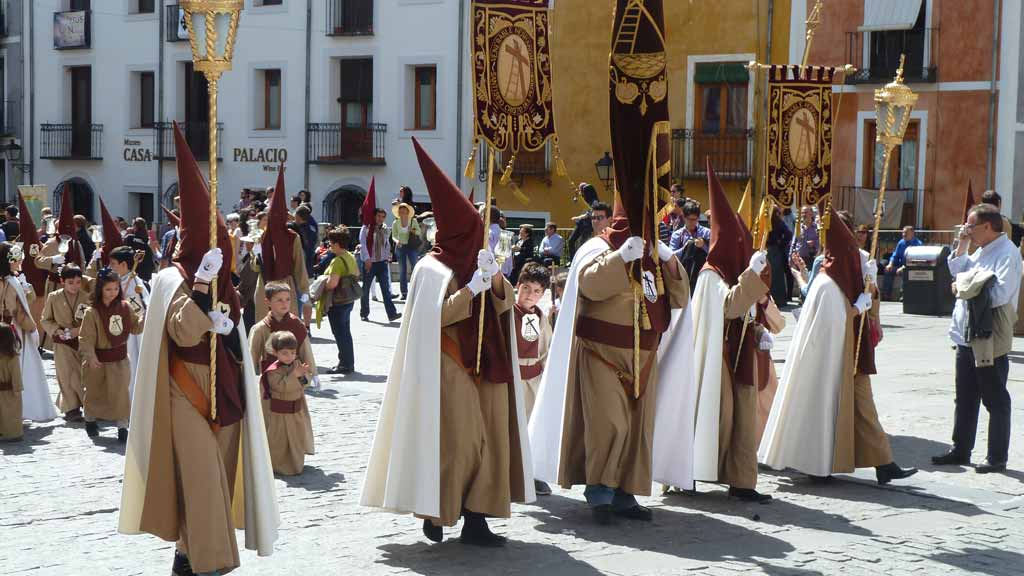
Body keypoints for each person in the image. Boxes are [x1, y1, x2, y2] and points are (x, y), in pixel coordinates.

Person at [118, 124, 277, 575]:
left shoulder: (225, 277)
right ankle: (213, 562)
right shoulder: (173, 279)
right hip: (183, 390)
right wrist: (203, 291)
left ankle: (187, 552)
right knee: (202, 477)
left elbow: (233, 335)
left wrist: (227, 322)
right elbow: (184, 333)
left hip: (224, 387)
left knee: (216, 481)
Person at [363, 138, 535, 546]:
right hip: (449, 362)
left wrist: (492, 277)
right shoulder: (429, 268)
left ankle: (477, 517)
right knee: (461, 442)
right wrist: (469, 291)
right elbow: (432, 319)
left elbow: (505, 302)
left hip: (487, 361)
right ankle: (436, 510)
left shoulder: (479, 260)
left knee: (489, 442)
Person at [529, 196, 693, 524]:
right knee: (609, 424)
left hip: (644, 358)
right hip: (601, 354)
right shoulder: (596, 248)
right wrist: (620, 258)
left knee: (635, 429)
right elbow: (588, 285)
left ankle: (625, 494)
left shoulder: (655, 257)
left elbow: (680, 297)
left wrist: (670, 260)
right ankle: (600, 493)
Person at [760, 208, 918, 485]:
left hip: (851, 353)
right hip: (830, 359)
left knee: (864, 408)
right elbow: (834, 318)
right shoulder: (826, 281)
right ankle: (817, 463)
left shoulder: (850, 268)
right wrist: (858, 306)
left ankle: (884, 463)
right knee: (831, 406)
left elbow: (863, 299)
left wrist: (869, 291)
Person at [690, 165, 773, 503]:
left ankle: (742, 481)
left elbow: (748, 309)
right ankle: (691, 471)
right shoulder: (711, 275)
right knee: (715, 415)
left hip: (741, 353)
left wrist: (759, 328)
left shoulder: (735, 272)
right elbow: (729, 307)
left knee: (744, 416)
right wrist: (751, 277)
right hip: (719, 357)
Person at [931, 204, 1021, 474]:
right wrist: (962, 246)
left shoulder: (1007, 254)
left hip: (988, 336)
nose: (967, 230)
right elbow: (957, 270)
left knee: (995, 399)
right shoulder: (981, 250)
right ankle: (961, 448)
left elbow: (1000, 294)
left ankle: (996, 457)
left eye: (971, 226)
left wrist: (964, 288)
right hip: (966, 336)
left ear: (987, 226)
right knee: (965, 396)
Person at [78, 268, 144, 443]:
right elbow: (86, 337)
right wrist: (91, 357)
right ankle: (90, 418)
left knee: (120, 393)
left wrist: (146, 316)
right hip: (98, 361)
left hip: (119, 360)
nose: (112, 293)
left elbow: (136, 327)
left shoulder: (126, 307)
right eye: (108, 289)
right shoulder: (92, 312)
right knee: (94, 392)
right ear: (100, 289)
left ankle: (122, 426)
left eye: (115, 288)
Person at [513, 261, 553, 495]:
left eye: (537, 291)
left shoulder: (539, 317)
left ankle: (533, 473)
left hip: (534, 379)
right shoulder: (508, 312)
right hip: (513, 377)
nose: (530, 295)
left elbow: (546, 349)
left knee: (533, 427)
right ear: (518, 286)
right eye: (526, 288)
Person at [252, 168, 311, 321]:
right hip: (265, 286)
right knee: (265, 327)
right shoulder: (262, 236)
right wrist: (256, 259)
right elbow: (254, 267)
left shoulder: (292, 237)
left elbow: (299, 266)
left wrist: (305, 293)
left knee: (286, 328)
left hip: (286, 287)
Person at [258, 330, 315, 475]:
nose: (289, 357)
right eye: (284, 353)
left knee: (296, 438)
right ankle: (279, 465)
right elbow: (280, 386)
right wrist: (294, 375)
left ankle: (296, 463)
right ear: (276, 353)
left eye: (292, 352)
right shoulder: (273, 371)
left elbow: (305, 382)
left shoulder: (297, 364)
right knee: (280, 441)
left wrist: (303, 376)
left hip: (296, 411)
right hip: (280, 413)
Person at [41, 265, 89, 422]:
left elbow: (92, 320)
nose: (75, 286)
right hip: (62, 341)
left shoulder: (86, 297)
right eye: (70, 282)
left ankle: (88, 404)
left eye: (77, 282)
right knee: (66, 375)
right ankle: (71, 408)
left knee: (81, 374)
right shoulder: (53, 297)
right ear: (62, 282)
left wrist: (78, 330)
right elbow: (45, 319)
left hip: (81, 340)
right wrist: (56, 330)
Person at [105, 246, 151, 401]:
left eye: (113, 263)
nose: (110, 267)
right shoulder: (121, 281)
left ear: (124, 265)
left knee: (130, 368)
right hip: (117, 331)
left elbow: (138, 310)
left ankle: (130, 403)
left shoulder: (134, 284)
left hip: (130, 334)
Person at [322, 226, 358, 374]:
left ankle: (344, 364)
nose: (329, 247)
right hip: (349, 299)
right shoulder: (350, 256)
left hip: (338, 301)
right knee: (345, 332)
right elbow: (357, 273)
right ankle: (348, 362)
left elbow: (332, 283)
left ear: (337, 244)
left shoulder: (337, 261)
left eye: (330, 244)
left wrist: (322, 284)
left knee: (339, 333)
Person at [360, 208, 400, 323]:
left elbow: (387, 243)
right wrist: (366, 259)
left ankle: (392, 313)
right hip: (370, 262)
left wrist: (388, 256)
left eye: (383, 217)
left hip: (382, 262)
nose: (380, 219)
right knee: (366, 289)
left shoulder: (384, 228)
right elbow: (363, 244)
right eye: (378, 216)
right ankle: (364, 313)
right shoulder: (366, 228)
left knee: (386, 289)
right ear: (374, 216)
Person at [670, 199, 711, 291]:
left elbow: (714, 253)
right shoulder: (677, 235)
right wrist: (686, 247)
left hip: (703, 276)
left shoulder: (706, 233)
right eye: (690, 219)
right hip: (684, 276)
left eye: (695, 219)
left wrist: (704, 245)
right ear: (684, 217)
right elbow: (672, 256)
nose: (693, 222)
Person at [391, 202, 422, 300]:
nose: (402, 212)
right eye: (400, 211)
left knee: (415, 268)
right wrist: (397, 241)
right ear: (398, 213)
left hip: (411, 247)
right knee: (402, 271)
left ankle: (415, 291)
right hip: (400, 247)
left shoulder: (413, 221)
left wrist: (412, 230)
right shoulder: (396, 222)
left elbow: (419, 232)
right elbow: (393, 236)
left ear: (408, 212)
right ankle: (404, 293)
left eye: (404, 210)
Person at [764, 207, 793, 306]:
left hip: (772, 250)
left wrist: (780, 244)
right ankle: (778, 300)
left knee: (774, 276)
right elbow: (789, 234)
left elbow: (789, 234)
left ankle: (774, 300)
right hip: (773, 250)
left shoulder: (775, 222)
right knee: (775, 276)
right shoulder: (773, 221)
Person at [883, 225, 921, 301]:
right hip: (899, 266)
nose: (904, 234)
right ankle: (886, 295)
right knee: (888, 270)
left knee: (905, 272)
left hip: (911, 267)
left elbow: (914, 260)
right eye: (903, 232)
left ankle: (903, 295)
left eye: (906, 233)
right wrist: (890, 264)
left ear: (912, 233)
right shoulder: (901, 242)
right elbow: (895, 255)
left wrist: (903, 267)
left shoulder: (918, 244)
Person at [566, 183, 600, 257]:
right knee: (571, 241)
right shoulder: (587, 199)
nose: (583, 193)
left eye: (584, 191)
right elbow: (577, 199)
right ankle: (572, 261)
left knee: (582, 245)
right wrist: (576, 194)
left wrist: (578, 217)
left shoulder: (595, 202)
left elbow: (590, 214)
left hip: (587, 226)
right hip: (580, 224)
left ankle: (582, 261)